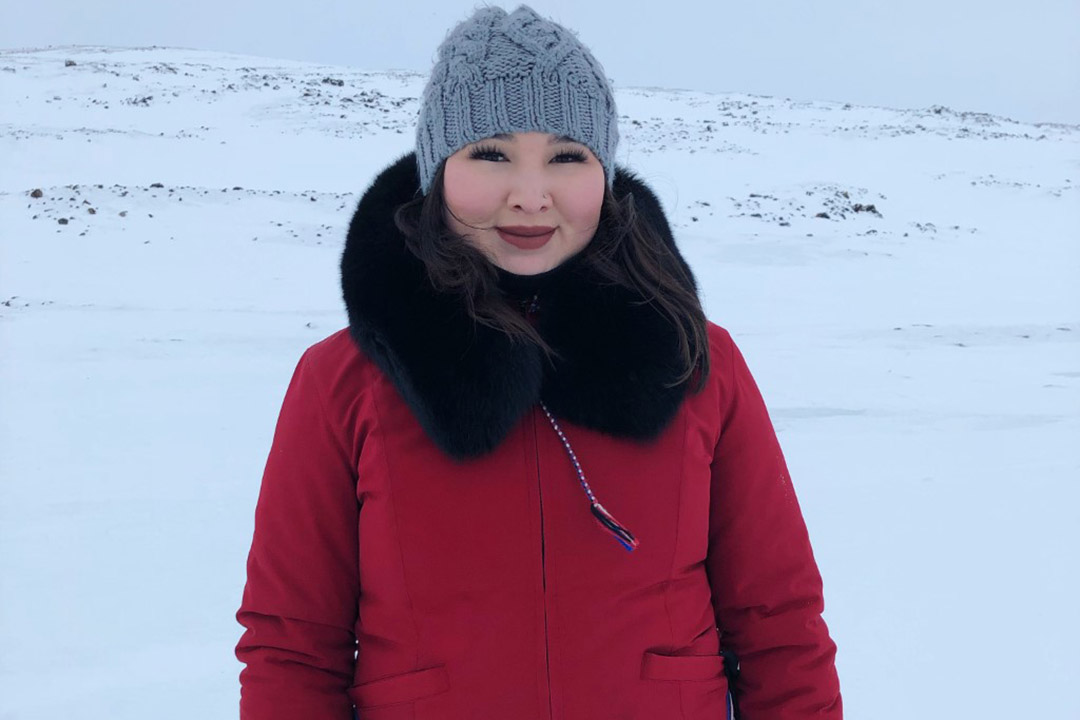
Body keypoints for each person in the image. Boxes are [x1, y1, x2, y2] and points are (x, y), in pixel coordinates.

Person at [235, 5, 842, 719]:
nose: (530, 195)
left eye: (567, 155)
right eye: (490, 153)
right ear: (438, 170)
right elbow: (294, 647)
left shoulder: (696, 361)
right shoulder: (344, 383)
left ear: (605, 172)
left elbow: (780, 621)